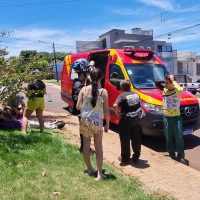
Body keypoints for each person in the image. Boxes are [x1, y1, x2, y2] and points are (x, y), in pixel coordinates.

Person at [76, 68, 109, 181]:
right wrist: (107, 124)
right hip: (97, 122)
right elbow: (106, 111)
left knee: (86, 146)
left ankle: (90, 169)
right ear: (101, 78)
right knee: (98, 147)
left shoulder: (83, 89)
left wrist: (87, 106)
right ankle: (100, 174)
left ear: (90, 77)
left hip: (85, 121)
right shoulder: (103, 92)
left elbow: (77, 107)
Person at [113, 80, 143, 165]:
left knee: (125, 139)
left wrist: (118, 115)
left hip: (126, 120)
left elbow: (115, 105)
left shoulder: (122, 95)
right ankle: (136, 156)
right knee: (136, 138)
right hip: (136, 119)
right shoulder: (136, 94)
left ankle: (125, 158)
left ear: (122, 87)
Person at [162, 75, 187, 165]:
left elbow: (180, 89)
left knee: (179, 137)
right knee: (168, 136)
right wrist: (167, 80)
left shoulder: (177, 91)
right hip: (166, 117)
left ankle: (181, 156)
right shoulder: (164, 90)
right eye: (165, 83)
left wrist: (173, 80)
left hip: (176, 118)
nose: (165, 84)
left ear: (173, 83)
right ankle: (171, 153)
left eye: (167, 83)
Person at [72, 58, 90, 152]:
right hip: (82, 112)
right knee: (84, 130)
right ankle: (84, 147)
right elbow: (77, 99)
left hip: (85, 111)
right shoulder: (78, 84)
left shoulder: (82, 83)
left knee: (85, 129)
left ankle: (85, 147)